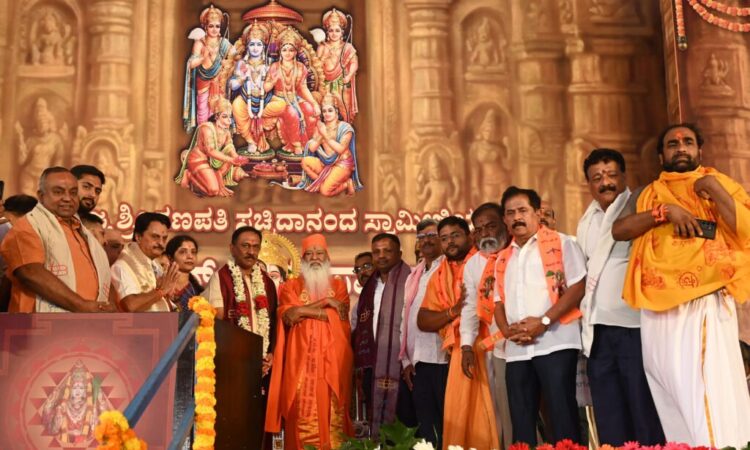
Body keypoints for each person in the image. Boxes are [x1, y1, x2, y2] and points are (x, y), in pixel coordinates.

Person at [612, 123, 750, 447]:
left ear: (699, 150)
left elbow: (744, 229)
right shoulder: (648, 194)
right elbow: (620, 230)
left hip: (704, 300)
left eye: (688, 142)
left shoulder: (719, 183)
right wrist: (664, 212)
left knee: (706, 390)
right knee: (668, 388)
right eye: (672, 144)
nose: (681, 147)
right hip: (656, 304)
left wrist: (712, 187)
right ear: (661, 156)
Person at [576, 149, 664, 446]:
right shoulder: (587, 220)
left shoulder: (639, 206)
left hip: (634, 326)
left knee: (642, 407)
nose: (606, 183)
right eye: (597, 178)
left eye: (612, 175)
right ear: (589, 184)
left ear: (624, 176)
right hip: (598, 330)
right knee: (609, 413)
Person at [494, 186, 586, 445]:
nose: (516, 217)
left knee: (562, 416)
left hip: (555, 342)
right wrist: (507, 330)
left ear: (537, 213)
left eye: (523, 210)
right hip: (517, 350)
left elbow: (578, 287)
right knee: (521, 420)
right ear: (504, 219)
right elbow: (498, 301)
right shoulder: (502, 258)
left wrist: (543, 322)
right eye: (510, 213)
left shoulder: (562, 243)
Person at [266, 233, 353, 449]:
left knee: (334, 420)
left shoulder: (339, 286)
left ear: (327, 257)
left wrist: (303, 310)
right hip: (301, 366)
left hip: (332, 365)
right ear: (303, 259)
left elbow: (340, 318)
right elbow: (290, 315)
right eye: (309, 254)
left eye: (319, 253)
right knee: (301, 419)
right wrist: (326, 303)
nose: (314, 257)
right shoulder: (291, 286)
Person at [419, 216, 499, 450]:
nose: (450, 242)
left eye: (455, 235)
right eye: (444, 238)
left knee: (496, 410)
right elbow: (423, 320)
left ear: (470, 235)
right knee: (461, 410)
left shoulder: (486, 261)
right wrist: (453, 311)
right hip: (460, 349)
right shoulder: (439, 274)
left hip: (492, 344)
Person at [0, 167, 115, 313]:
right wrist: (81, 305)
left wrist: (107, 308)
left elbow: (102, 279)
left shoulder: (85, 234)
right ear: (41, 196)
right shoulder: (28, 227)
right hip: (36, 324)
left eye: (73, 192)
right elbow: (30, 272)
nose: (67, 198)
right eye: (58, 192)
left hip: (87, 323)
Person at [459, 202, 512, 449]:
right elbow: (469, 307)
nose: (485, 234)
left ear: (505, 224)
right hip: (501, 348)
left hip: (540, 341)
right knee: (507, 411)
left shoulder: (518, 251)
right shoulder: (473, 264)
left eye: (490, 226)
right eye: (479, 230)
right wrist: (466, 346)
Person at [353, 233, 412, 437]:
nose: (382, 256)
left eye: (387, 251)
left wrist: (408, 360)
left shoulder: (410, 280)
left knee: (405, 423)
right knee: (377, 425)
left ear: (399, 254)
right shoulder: (370, 287)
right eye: (376, 252)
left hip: (404, 365)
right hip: (373, 365)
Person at [399, 219, 447, 447]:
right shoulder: (413, 275)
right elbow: (404, 319)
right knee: (427, 427)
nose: (426, 241)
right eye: (421, 237)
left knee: (448, 424)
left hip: (444, 358)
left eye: (431, 235)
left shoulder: (448, 268)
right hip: (418, 362)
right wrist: (406, 361)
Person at [202, 226, 277, 370]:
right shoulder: (221, 278)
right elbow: (216, 320)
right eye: (245, 246)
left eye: (255, 247)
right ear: (232, 249)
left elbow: (273, 322)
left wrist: (271, 353)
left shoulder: (267, 282)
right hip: (230, 359)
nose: (251, 252)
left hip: (262, 363)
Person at [175, 97, 250, 197]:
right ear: (216, 116)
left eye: (230, 117)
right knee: (213, 191)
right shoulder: (206, 128)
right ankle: (189, 175)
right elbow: (210, 151)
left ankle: (217, 176)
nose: (229, 120)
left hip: (213, 162)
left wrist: (236, 158)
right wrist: (231, 160)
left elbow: (230, 147)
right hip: (199, 160)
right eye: (225, 116)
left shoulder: (226, 132)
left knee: (229, 155)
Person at [264, 27, 321, 154]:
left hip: (295, 98)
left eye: (291, 50)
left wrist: (314, 103)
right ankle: (296, 145)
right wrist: (272, 81)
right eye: (284, 50)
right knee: (292, 113)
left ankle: (307, 143)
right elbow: (266, 88)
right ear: (280, 51)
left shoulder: (300, 67)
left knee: (309, 110)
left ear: (295, 52)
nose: (288, 53)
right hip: (278, 99)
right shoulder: (274, 67)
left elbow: (303, 88)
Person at [111, 212, 180, 312]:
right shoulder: (122, 266)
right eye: (155, 237)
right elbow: (130, 306)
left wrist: (168, 296)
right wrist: (161, 291)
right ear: (138, 237)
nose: (161, 243)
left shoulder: (155, 266)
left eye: (164, 238)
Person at [298, 94, 363, 196]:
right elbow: (312, 148)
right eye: (324, 111)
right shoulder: (321, 127)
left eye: (330, 110)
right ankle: (322, 182)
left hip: (342, 164)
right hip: (326, 164)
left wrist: (325, 134)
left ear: (336, 111)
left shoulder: (345, 128)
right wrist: (321, 135)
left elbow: (340, 149)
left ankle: (347, 184)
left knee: (325, 191)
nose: (327, 114)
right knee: (305, 162)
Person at [183, 4, 235, 132]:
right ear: (205, 27)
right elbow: (191, 63)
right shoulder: (199, 43)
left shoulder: (224, 43)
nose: (214, 29)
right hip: (203, 82)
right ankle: (204, 137)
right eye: (211, 26)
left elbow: (236, 57)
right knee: (203, 112)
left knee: (219, 111)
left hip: (219, 83)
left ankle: (219, 138)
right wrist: (202, 58)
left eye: (217, 26)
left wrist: (228, 63)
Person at [317, 8, 359, 122]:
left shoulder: (348, 47)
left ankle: (345, 127)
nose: (334, 33)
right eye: (331, 30)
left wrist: (349, 76)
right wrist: (324, 57)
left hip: (342, 81)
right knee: (326, 107)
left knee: (344, 106)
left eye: (337, 30)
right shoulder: (322, 47)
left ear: (342, 33)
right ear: (327, 32)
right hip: (325, 82)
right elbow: (316, 66)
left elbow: (354, 63)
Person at [165, 235, 203, 312]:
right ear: (170, 258)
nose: (190, 256)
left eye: (193, 252)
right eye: (182, 252)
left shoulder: (199, 292)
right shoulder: (160, 286)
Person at [350, 251, 374, 330]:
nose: (362, 272)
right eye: (358, 270)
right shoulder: (357, 308)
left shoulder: (390, 296)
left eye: (367, 266)